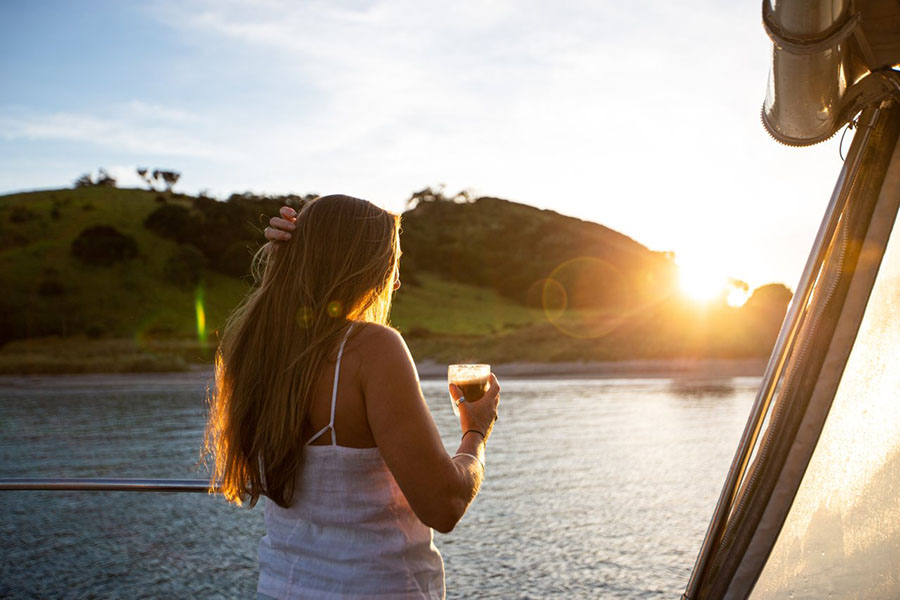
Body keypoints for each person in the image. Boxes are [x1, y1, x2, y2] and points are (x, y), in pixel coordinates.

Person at [205, 194, 500, 600]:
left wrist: (285, 261)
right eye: (392, 264)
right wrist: (476, 432)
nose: (395, 283)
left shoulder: (256, 350)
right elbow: (443, 506)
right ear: (360, 266)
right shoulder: (372, 349)